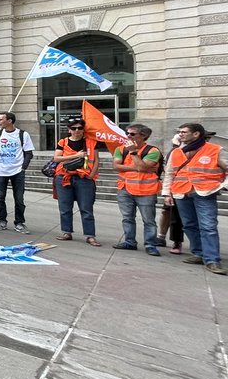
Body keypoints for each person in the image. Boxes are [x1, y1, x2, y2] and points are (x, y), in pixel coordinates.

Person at [163, 122, 226, 275]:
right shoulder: (176, 152)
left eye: (184, 132)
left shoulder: (215, 149)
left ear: (196, 134)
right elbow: (169, 173)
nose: (180, 134)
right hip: (181, 193)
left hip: (205, 193)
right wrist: (166, 193)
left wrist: (223, 186)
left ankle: (212, 260)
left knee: (208, 226)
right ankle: (199, 253)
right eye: (179, 132)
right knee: (189, 225)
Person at [112, 124, 162, 256]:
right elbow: (116, 166)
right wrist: (138, 167)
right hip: (125, 189)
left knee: (149, 220)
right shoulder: (120, 149)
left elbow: (143, 167)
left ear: (143, 136)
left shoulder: (153, 151)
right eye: (127, 133)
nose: (128, 136)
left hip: (146, 191)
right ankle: (129, 242)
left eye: (132, 134)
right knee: (127, 218)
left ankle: (150, 245)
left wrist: (133, 152)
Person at [53, 117, 101, 246]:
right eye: (73, 128)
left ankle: (90, 236)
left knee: (86, 208)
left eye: (80, 128)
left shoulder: (91, 142)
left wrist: (92, 175)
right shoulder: (63, 142)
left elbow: (96, 160)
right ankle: (66, 232)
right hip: (64, 177)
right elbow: (56, 158)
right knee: (65, 207)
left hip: (84, 178)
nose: (77, 130)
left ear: (83, 129)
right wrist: (76, 155)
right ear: (69, 130)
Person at [0, 111, 34, 233]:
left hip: (17, 171)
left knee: (19, 199)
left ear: (9, 121)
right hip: (0, 170)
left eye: (1, 120)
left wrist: (23, 167)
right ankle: (2, 220)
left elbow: (29, 153)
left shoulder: (23, 134)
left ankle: (19, 222)